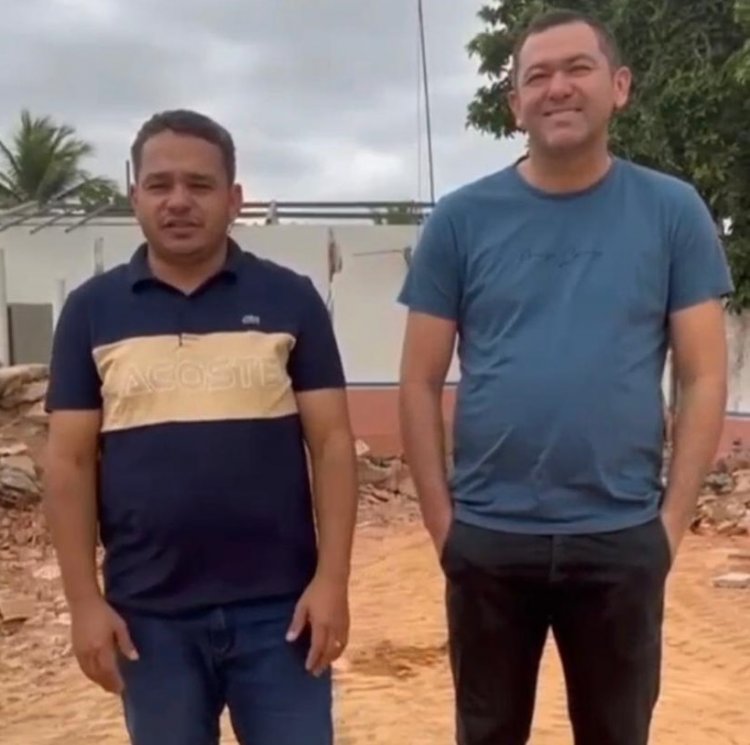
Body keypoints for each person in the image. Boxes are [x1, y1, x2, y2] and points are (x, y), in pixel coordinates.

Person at [397, 10, 732, 745]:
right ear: (514, 103)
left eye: (577, 68)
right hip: (489, 536)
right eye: (536, 76)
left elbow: (705, 373)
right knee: (487, 733)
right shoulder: (460, 219)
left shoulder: (672, 212)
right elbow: (418, 380)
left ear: (619, 87)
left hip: (620, 537)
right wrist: (443, 525)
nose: (557, 88)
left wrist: (668, 527)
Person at [42, 109, 359, 745]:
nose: (179, 201)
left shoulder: (290, 299)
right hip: (148, 620)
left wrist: (332, 582)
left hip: (282, 616)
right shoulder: (90, 312)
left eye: (200, 185)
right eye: (159, 185)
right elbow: (68, 463)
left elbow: (330, 445)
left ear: (235, 199)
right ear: (135, 197)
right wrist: (84, 603)